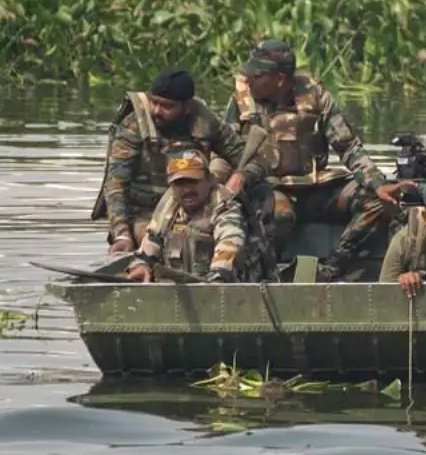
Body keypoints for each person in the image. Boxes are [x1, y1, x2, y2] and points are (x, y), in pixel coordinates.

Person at [220, 40, 400, 281]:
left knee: (375, 202)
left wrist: (378, 184)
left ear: (280, 79)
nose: (249, 78)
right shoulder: (242, 101)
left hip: (315, 188)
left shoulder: (316, 97)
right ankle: (265, 278)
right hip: (270, 188)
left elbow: (348, 147)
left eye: (257, 74)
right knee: (278, 215)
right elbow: (222, 150)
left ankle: (332, 269)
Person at [91, 68, 270, 255]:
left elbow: (255, 160)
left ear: (187, 107)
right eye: (154, 103)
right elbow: (116, 185)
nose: (157, 111)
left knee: (259, 197)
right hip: (145, 212)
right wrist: (122, 234)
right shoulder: (134, 126)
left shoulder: (205, 121)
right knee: (168, 244)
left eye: (167, 106)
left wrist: (242, 175)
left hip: (196, 208)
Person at [124, 148, 246, 283]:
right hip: (181, 287)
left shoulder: (223, 203)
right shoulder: (170, 205)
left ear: (209, 180)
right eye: (179, 184)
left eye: (193, 182)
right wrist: (141, 265)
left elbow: (229, 241)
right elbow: (152, 241)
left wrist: (217, 277)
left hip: (221, 284)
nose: (187, 190)